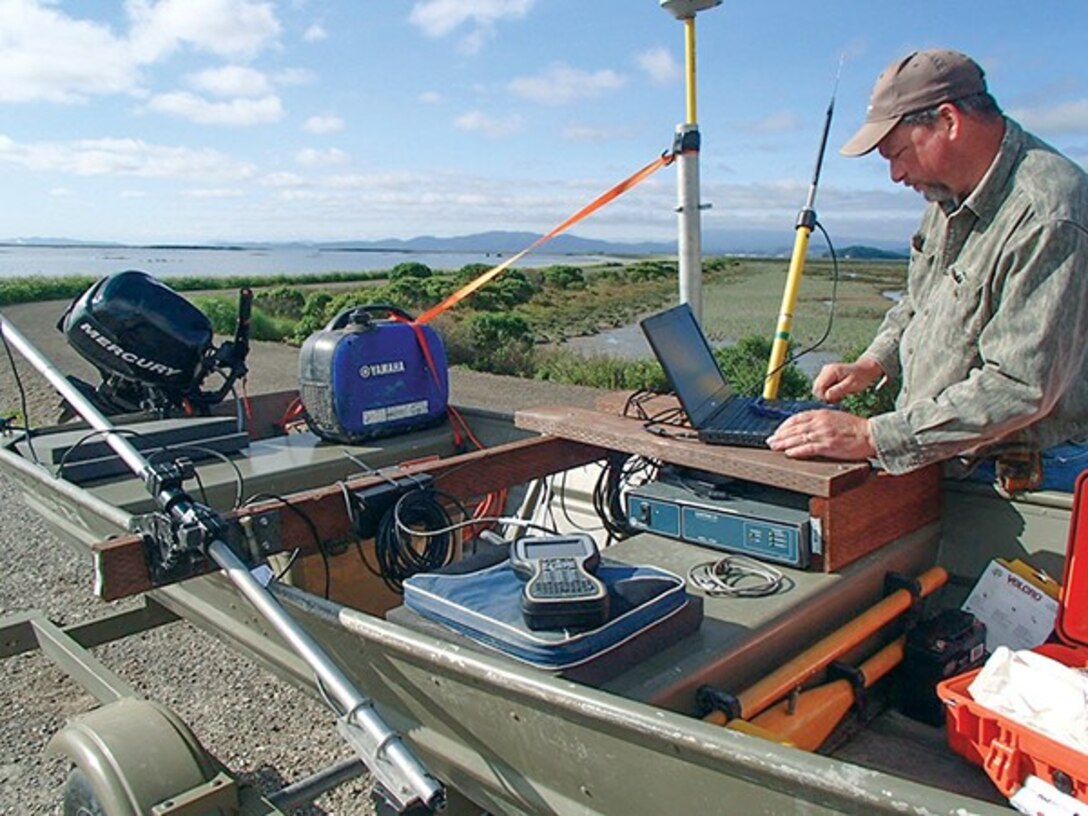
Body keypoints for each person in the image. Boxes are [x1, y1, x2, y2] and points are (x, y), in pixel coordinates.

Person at [766, 48, 1088, 492]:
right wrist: (873, 362)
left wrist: (871, 435)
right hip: (945, 458)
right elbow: (919, 303)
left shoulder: (1048, 213)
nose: (896, 175)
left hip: (1025, 480)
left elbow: (1020, 386)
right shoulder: (946, 195)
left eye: (897, 153)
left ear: (949, 121)